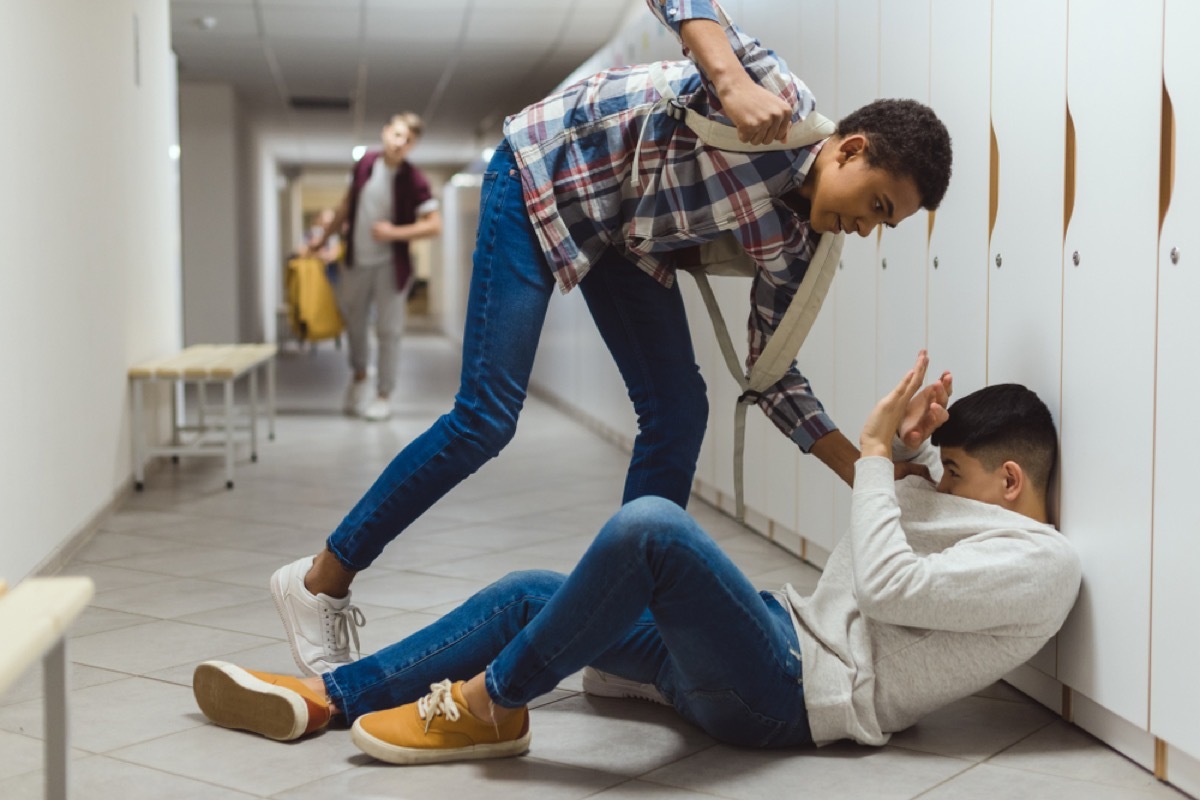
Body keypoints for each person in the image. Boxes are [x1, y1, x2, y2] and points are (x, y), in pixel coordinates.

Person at [268, 0, 954, 677]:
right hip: (545, 172)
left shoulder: (800, 245)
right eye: (877, 205)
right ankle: (320, 579)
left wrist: (870, 468)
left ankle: (616, 621)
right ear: (853, 149)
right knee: (486, 417)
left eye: (883, 223)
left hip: (622, 240)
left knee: (681, 410)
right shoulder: (778, 101)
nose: (866, 227)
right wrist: (730, 80)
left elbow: (771, 374)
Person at [194, 351, 1081, 763]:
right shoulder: (968, 510)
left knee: (651, 526)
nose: (936, 482)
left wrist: (884, 458)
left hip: (786, 694)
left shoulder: (1042, 568)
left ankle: (492, 706)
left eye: (955, 473)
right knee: (526, 595)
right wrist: (918, 460)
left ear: (1009, 482)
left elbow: (888, 588)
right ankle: (326, 698)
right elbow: (890, 544)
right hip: (773, 638)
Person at [306, 112, 442, 422]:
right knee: (355, 324)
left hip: (391, 267)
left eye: (408, 140)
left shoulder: (414, 179)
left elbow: (435, 226)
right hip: (356, 261)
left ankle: (383, 394)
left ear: (413, 146)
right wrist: (323, 240)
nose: (400, 143)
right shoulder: (366, 164)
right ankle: (359, 378)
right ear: (385, 133)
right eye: (397, 135)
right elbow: (345, 207)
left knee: (388, 330)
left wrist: (395, 233)